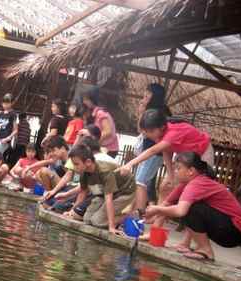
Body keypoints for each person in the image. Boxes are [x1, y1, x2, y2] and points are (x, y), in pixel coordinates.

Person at [146, 152, 241, 261]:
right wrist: (152, 225)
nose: (175, 172)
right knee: (183, 206)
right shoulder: (185, 184)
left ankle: (205, 250)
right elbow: (167, 204)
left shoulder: (198, 183)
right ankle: (190, 245)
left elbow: (180, 211)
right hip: (225, 228)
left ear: (190, 171)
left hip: (235, 232)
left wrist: (156, 209)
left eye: (178, 168)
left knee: (190, 208)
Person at [118, 110, 214, 202]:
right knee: (165, 187)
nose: (148, 135)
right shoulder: (159, 134)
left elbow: (153, 150)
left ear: (162, 127)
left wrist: (130, 164)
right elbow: (167, 151)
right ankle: (158, 216)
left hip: (203, 152)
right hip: (186, 156)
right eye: (146, 131)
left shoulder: (173, 132)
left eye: (150, 131)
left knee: (196, 187)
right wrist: (170, 175)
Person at [65, 143, 136, 233]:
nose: (74, 167)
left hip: (124, 191)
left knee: (97, 222)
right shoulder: (84, 172)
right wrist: (71, 211)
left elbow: (109, 199)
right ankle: (110, 217)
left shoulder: (105, 171)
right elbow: (83, 192)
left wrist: (111, 227)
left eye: (76, 164)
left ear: (88, 162)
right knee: (87, 219)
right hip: (105, 193)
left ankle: (128, 216)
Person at [130, 83, 173, 217]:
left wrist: (143, 112)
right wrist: (141, 112)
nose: (145, 95)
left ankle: (140, 214)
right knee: (142, 182)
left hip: (155, 151)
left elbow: (143, 131)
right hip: (151, 151)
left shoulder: (158, 113)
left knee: (140, 181)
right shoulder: (157, 110)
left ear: (155, 95)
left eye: (148, 93)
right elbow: (141, 130)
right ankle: (139, 212)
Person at [82, 86, 120, 158]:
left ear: (93, 99)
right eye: (84, 100)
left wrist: (94, 142)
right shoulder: (93, 113)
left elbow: (107, 131)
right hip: (102, 147)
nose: (84, 102)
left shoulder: (100, 113)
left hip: (108, 149)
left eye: (86, 99)